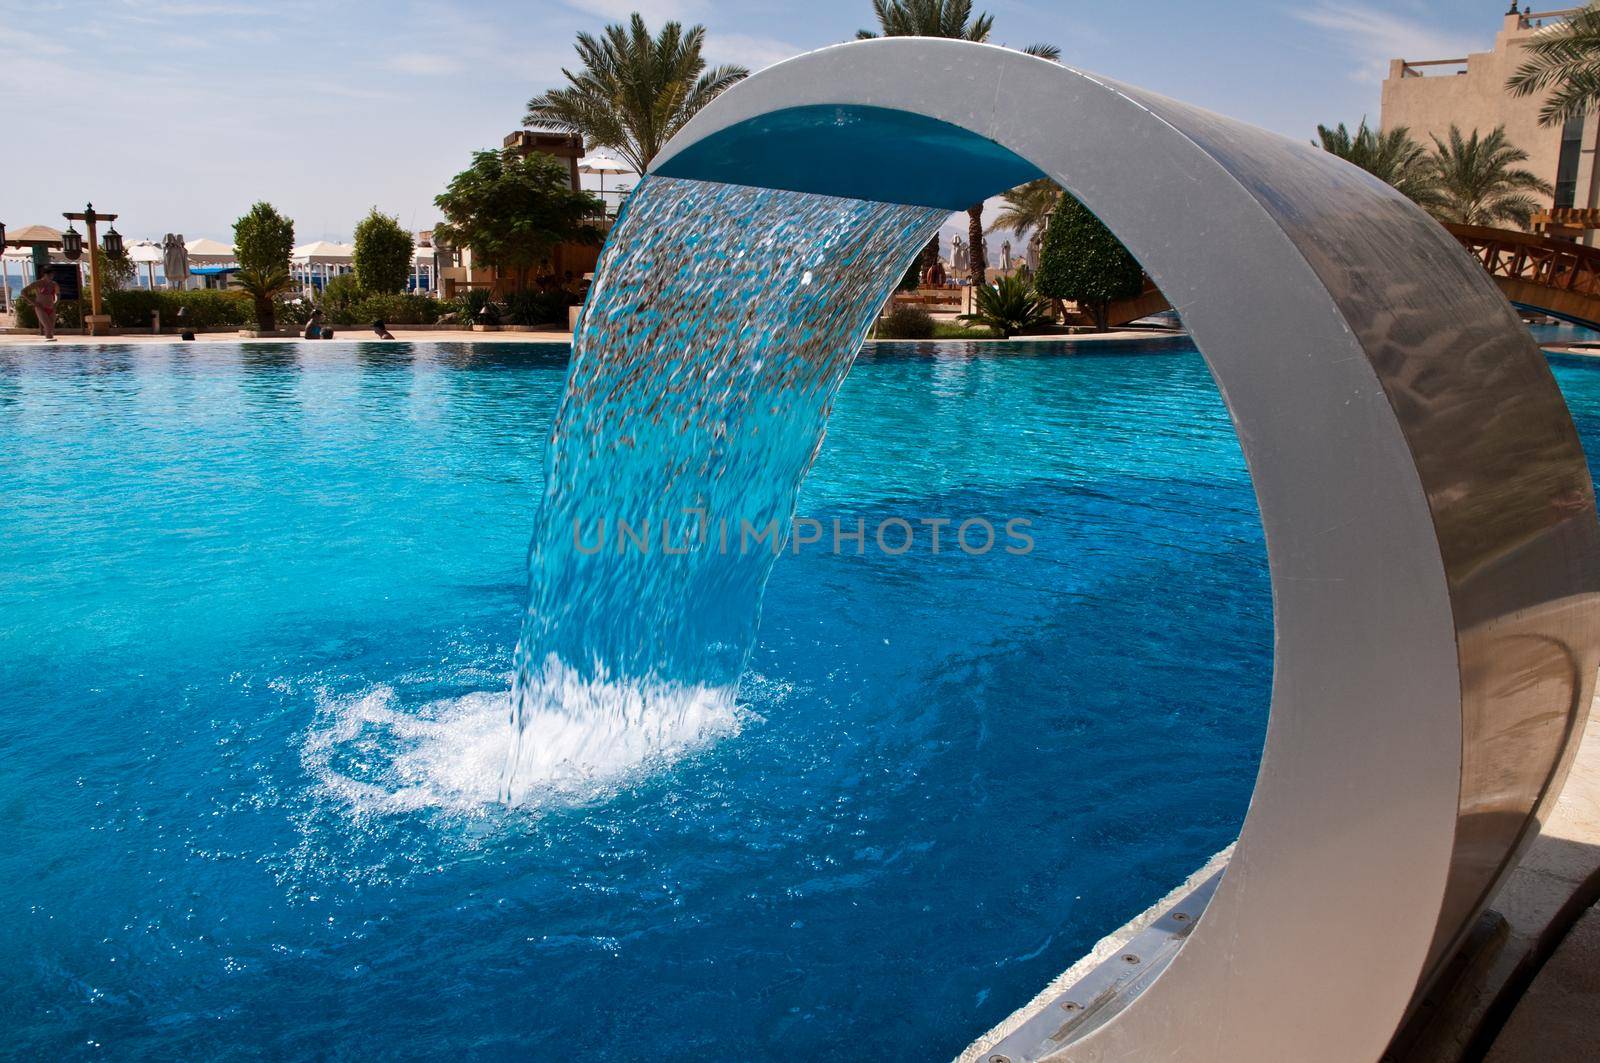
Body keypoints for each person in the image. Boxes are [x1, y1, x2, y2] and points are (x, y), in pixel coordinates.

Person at [20, 268, 60, 341]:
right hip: (41, 308)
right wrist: (33, 302)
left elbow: (58, 294)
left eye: (52, 275)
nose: (51, 276)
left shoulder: (54, 284)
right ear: (45, 274)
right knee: (48, 327)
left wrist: (56, 303)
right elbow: (23, 292)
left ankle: (50, 347)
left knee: (51, 328)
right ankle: (50, 347)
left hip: (51, 308)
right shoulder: (38, 283)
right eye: (49, 275)